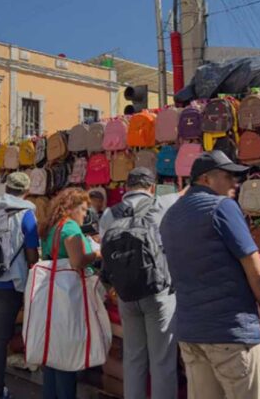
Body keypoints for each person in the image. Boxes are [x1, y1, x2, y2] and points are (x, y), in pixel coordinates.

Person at [159, 151, 260, 399]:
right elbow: (257, 272)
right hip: (229, 332)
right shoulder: (222, 207)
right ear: (206, 179)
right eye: (229, 176)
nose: (236, 183)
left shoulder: (170, 216)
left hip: (191, 333)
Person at [98, 167, 180, 399]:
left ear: (126, 187)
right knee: (162, 360)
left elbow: (106, 252)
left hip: (125, 292)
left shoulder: (109, 214)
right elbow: (186, 193)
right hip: (158, 291)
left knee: (133, 358)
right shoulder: (162, 204)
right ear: (152, 187)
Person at [0, 173, 39, 399]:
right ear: (27, 190)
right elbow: (32, 252)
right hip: (10, 282)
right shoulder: (26, 214)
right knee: (0, 337)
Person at [38, 187, 102, 399]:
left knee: (53, 353)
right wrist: (96, 253)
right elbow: (77, 261)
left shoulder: (53, 227)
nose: (85, 215)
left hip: (53, 296)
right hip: (69, 296)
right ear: (71, 208)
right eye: (83, 209)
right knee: (67, 353)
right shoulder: (71, 228)